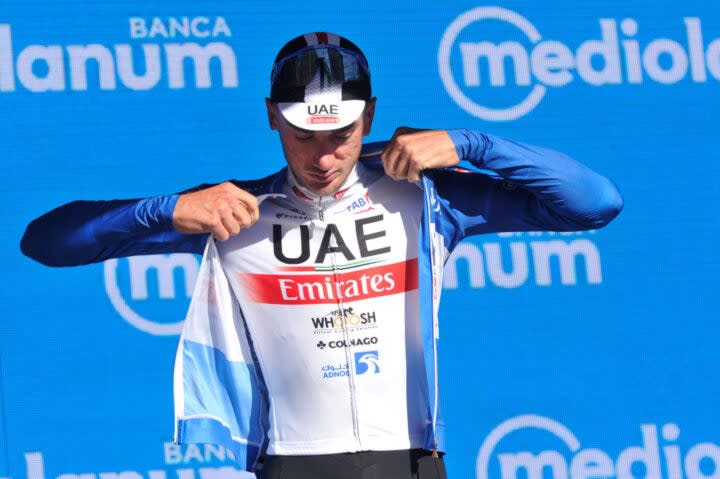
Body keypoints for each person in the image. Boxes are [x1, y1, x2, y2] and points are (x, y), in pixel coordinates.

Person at [20, 32, 623, 479]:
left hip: (411, 461)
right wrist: (159, 209)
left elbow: (595, 203)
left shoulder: (431, 196)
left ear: (371, 117)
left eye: (342, 134)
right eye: (304, 135)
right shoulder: (233, 208)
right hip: (291, 464)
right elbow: (44, 242)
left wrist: (472, 143)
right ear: (271, 119)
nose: (325, 156)